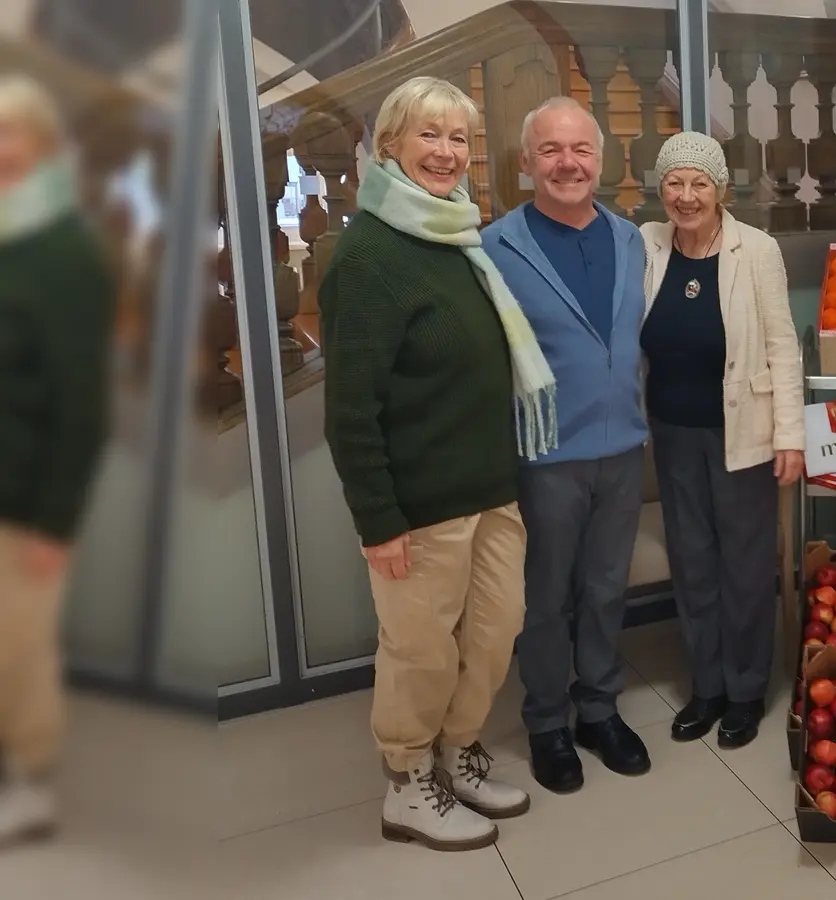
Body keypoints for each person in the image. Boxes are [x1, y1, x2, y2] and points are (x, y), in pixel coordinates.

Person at [322, 75, 548, 850]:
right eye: (430, 135)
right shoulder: (367, 255)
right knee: (420, 650)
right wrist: (378, 520)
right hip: (418, 504)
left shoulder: (457, 236)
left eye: (459, 138)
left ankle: (458, 749)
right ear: (391, 144)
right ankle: (407, 780)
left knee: (494, 632)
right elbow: (350, 411)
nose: (447, 152)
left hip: (489, 489)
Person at [483, 96, 651, 794]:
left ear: (601, 160)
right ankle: (547, 722)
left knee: (608, 588)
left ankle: (598, 709)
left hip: (624, 448)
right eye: (551, 150)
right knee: (547, 597)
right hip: (546, 454)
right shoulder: (495, 247)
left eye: (581, 149)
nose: (567, 163)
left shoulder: (630, 238)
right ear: (527, 163)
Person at [637, 132, 805, 748]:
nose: (686, 197)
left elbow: (784, 347)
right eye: (675, 184)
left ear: (721, 190)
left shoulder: (755, 250)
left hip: (745, 435)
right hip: (673, 435)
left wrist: (791, 435)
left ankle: (745, 690)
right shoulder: (648, 246)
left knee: (744, 565)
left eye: (699, 184)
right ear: (662, 190)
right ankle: (706, 686)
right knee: (693, 563)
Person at [0, 74, 113, 846]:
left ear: (42, 149)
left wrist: (53, 522)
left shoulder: (65, 251)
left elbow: (82, 405)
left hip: (22, 498)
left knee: (19, 647)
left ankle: (30, 780)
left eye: (14, 136)